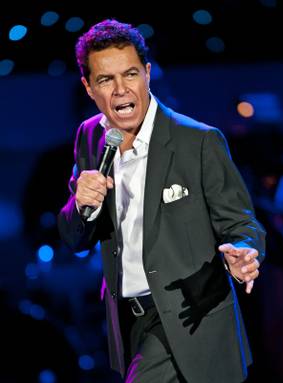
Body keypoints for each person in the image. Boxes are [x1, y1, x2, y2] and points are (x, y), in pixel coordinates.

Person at [57, 19, 266, 383]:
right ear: (89, 88)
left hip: (192, 313)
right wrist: (80, 206)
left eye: (131, 74)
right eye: (106, 80)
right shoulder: (90, 137)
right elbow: (76, 238)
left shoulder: (197, 140)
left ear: (148, 74)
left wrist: (245, 252)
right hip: (129, 321)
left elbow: (242, 223)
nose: (122, 90)